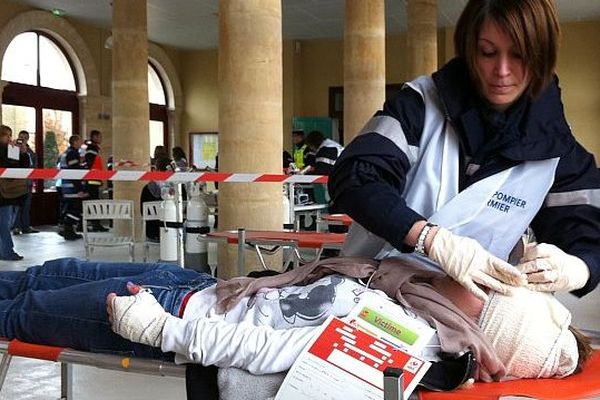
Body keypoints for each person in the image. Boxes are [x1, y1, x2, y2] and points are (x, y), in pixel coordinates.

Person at [329, 0, 600, 301]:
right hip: (367, 290)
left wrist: (578, 267)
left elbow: (587, 235)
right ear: (469, 48)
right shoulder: (419, 105)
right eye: (488, 52)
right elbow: (356, 178)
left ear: (543, 57)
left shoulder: (558, 149)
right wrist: (429, 239)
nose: (502, 71)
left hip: (465, 308)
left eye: (520, 55)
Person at [0, 257, 590, 383]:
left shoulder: (407, 346)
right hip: (204, 287)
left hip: (166, 315)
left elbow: (266, 350)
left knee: (21, 312)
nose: (479, 277)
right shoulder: (414, 293)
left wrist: (161, 329)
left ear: (480, 325)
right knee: (43, 275)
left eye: (489, 292)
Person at [0, 125, 30, 260]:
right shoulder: (4, 150)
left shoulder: (9, 149)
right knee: (5, 224)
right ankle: (7, 252)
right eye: (7, 135)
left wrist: (22, 153)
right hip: (4, 193)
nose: (10, 138)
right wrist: (12, 151)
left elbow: (22, 168)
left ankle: (5, 251)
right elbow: (10, 167)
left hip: (9, 192)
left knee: (6, 223)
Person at [58, 135, 87, 241]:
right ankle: (68, 229)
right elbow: (74, 173)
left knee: (71, 209)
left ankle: (69, 230)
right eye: (80, 141)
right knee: (75, 209)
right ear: (75, 142)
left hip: (67, 187)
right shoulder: (72, 153)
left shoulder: (67, 153)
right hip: (72, 189)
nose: (81, 143)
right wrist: (80, 189)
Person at [11, 130, 39, 235]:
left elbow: (34, 166)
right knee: (16, 206)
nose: (23, 139)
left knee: (26, 206)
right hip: (16, 183)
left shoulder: (31, 152)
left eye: (25, 137)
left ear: (28, 139)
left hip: (28, 183)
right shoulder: (13, 149)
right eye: (21, 137)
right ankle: (16, 227)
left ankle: (26, 227)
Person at [84, 130, 108, 232]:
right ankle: (95, 224)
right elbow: (91, 164)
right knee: (93, 202)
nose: (101, 139)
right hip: (92, 180)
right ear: (94, 137)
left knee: (94, 202)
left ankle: (95, 223)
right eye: (99, 136)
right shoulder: (92, 149)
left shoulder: (93, 148)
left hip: (94, 180)